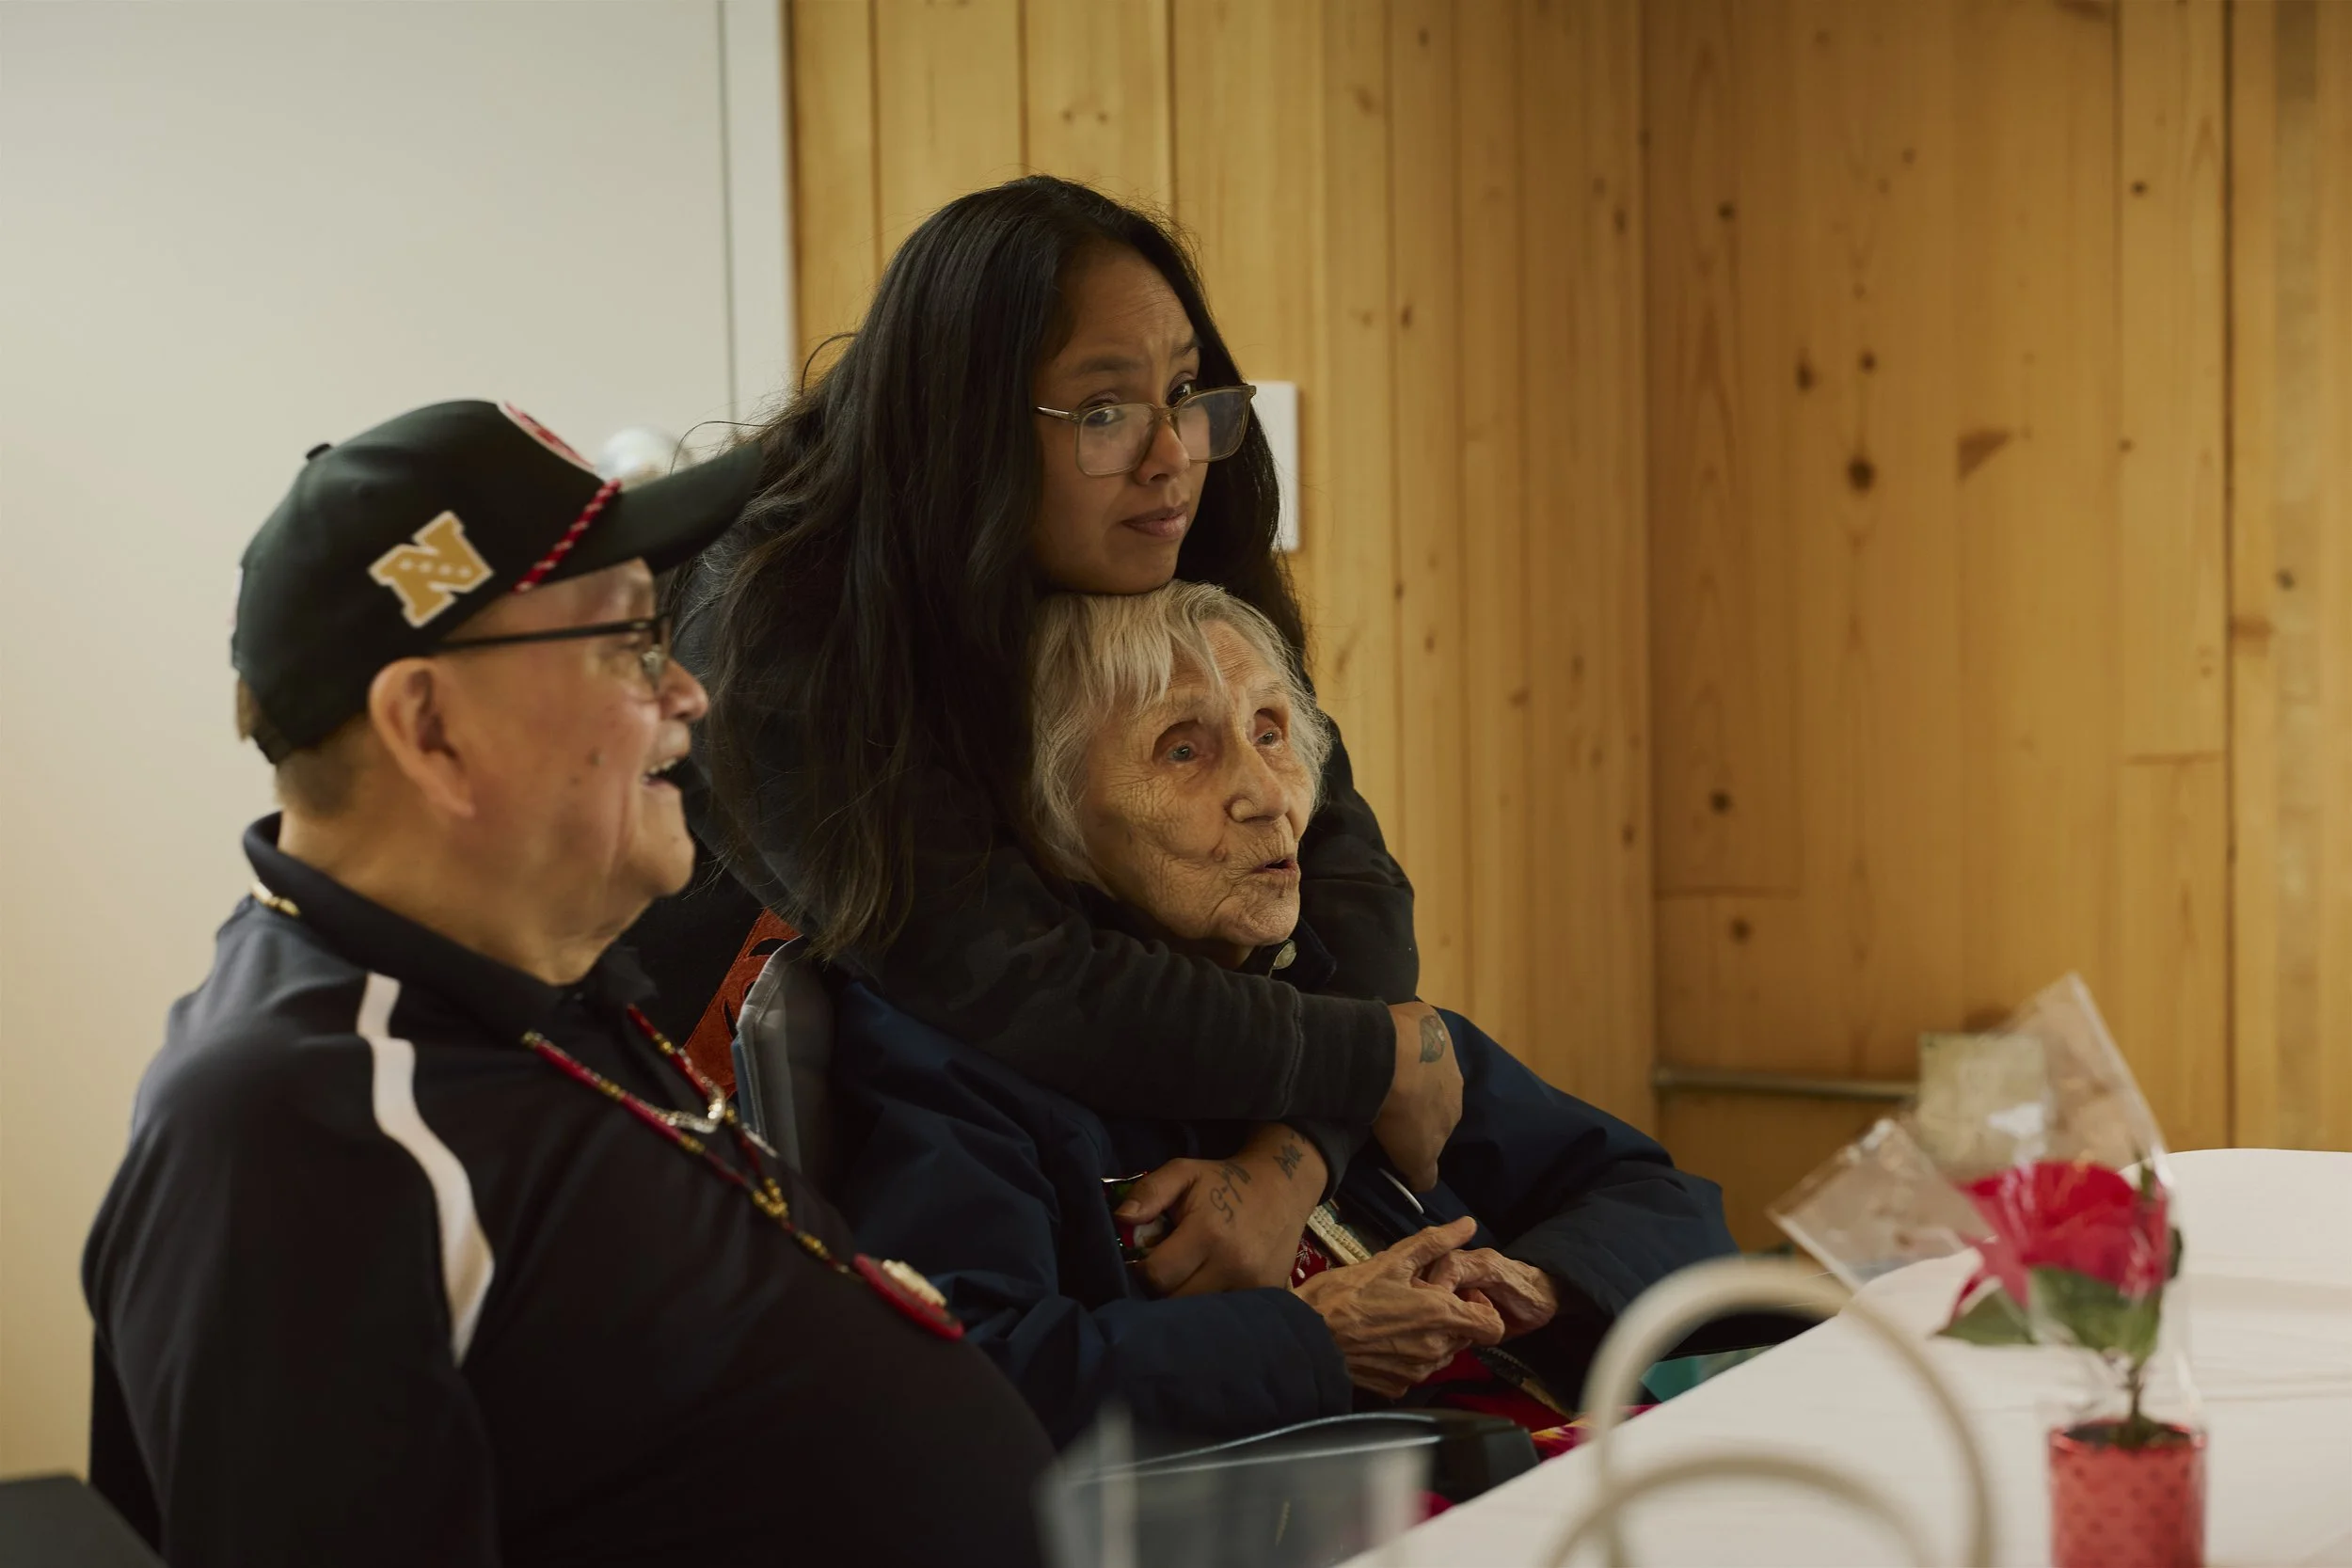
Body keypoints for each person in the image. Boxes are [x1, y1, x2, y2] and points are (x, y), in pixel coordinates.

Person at [82, 403, 1055, 1568]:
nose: (687, 691)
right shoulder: (296, 1127)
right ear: (429, 725)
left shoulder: (527, 993)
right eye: (628, 642)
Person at [668, 177, 1458, 1294]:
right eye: (1101, 413)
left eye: (1184, 391)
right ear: (968, 425)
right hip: (724, 1146)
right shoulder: (782, 612)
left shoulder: (1187, 501)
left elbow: (1334, 852)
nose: (1169, 454)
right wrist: (1372, 1055)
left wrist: (1295, 1160)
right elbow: (1010, 974)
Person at [825, 583, 1742, 1444]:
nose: (1269, 795)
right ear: (1047, 808)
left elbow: (1664, 1200)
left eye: (1271, 731)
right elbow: (965, 1385)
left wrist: (1541, 1282)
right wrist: (1314, 1337)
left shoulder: (1336, 1009)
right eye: (1182, 748)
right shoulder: (955, 1060)